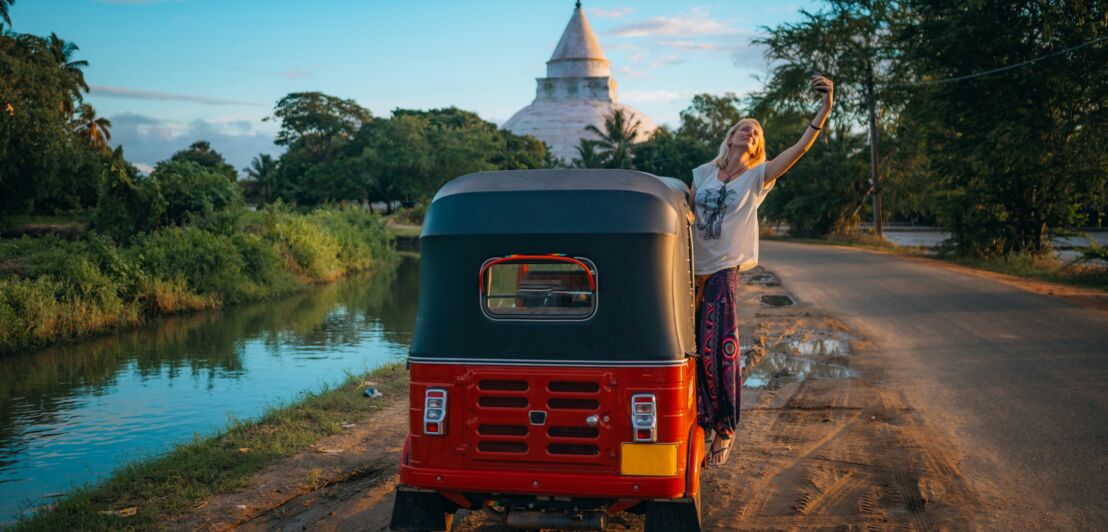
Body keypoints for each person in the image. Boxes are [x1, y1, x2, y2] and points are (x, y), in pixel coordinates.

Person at [691, 74, 834, 466]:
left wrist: (824, 109)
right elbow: (685, 212)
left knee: (718, 352)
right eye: (744, 128)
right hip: (691, 274)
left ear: (757, 146)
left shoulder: (757, 177)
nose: (750, 133)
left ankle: (726, 429)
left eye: (756, 133)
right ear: (731, 136)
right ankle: (699, 423)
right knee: (688, 352)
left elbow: (799, 150)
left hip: (722, 273)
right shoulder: (702, 173)